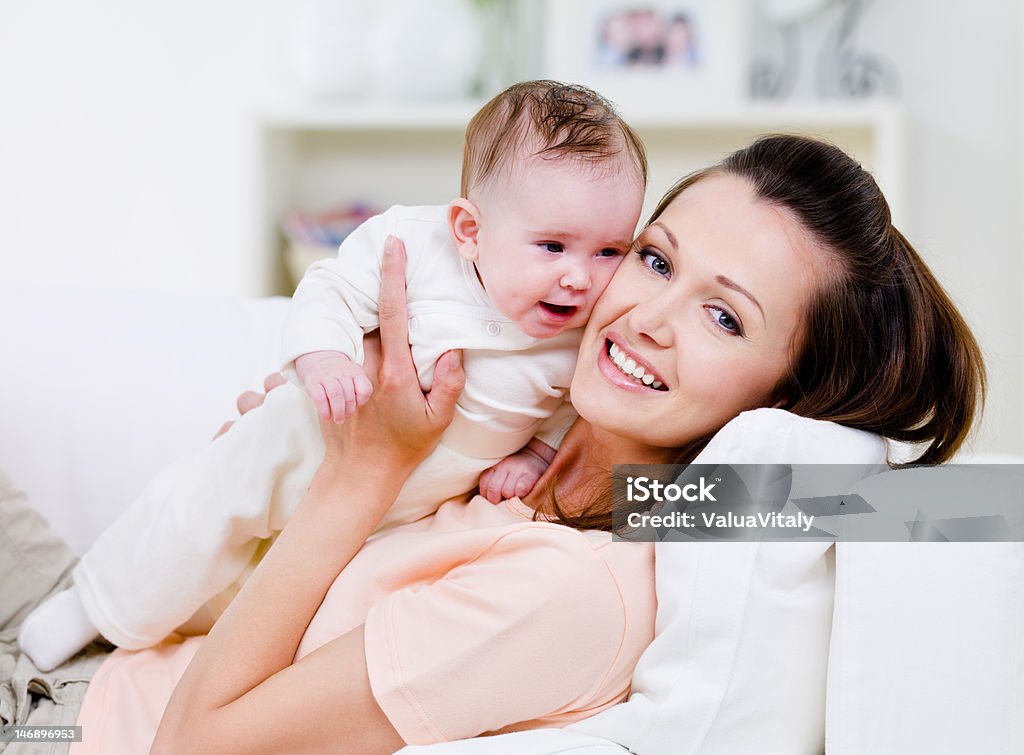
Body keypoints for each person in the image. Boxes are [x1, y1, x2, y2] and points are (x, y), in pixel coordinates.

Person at [2, 135, 984, 753]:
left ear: (784, 394)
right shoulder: (526, 436)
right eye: (653, 258)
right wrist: (298, 453)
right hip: (92, 634)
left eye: (723, 319)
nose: (645, 314)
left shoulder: (570, 589)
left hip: (60, 719)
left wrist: (358, 473)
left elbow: (196, 744)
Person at [17, 80, 648, 673]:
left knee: (274, 587)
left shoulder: (589, 334)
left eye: (609, 251)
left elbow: (573, 405)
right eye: (553, 247)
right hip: (317, 428)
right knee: (206, 505)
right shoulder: (412, 245)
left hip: (416, 502)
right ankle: (97, 604)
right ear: (470, 231)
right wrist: (324, 357)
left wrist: (538, 453)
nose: (580, 277)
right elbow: (333, 289)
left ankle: (171, 645)